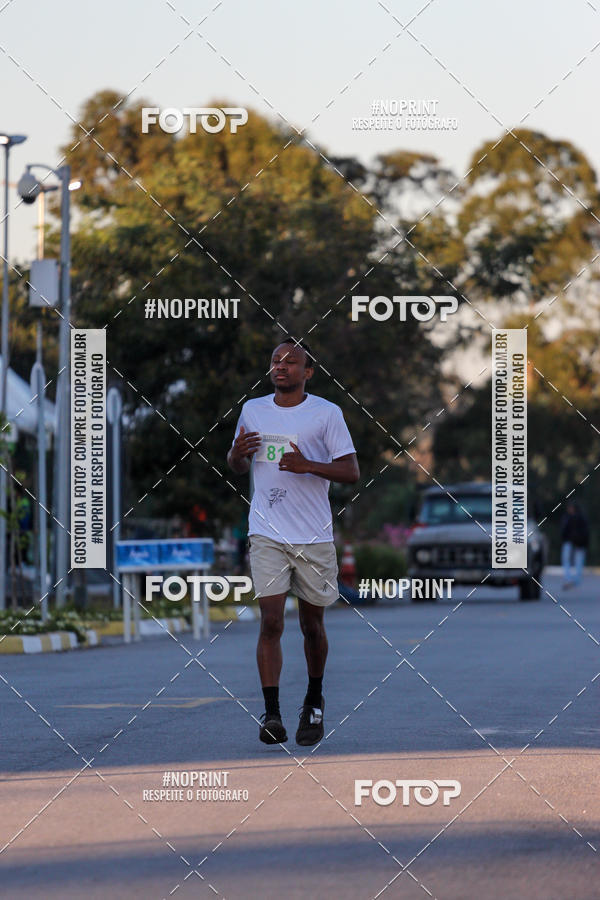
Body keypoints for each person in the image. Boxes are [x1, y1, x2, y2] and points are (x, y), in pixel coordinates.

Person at [227, 338, 359, 746]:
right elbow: (236, 465)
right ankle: (271, 714)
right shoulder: (253, 410)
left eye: (291, 362)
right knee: (271, 621)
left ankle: (314, 701)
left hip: (314, 535)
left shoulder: (326, 414)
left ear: (308, 372)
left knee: (311, 625)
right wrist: (237, 453)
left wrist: (307, 466)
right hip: (267, 532)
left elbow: (351, 471)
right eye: (275, 362)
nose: (280, 367)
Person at [561, 501, 589, 588]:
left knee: (579, 562)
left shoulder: (581, 518)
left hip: (579, 544)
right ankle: (568, 579)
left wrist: (583, 542)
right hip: (568, 542)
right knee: (566, 560)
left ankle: (576, 581)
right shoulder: (567, 517)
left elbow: (586, 532)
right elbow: (563, 531)